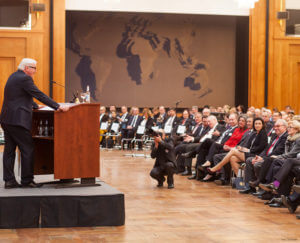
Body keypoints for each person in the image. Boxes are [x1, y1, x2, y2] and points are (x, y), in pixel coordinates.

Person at [0, 58, 69, 189]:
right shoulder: (25, 78)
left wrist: (35, 106)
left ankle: (9, 181)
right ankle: (27, 181)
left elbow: (19, 96)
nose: (35, 71)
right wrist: (57, 106)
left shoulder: (13, 76)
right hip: (18, 120)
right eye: (34, 68)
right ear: (27, 68)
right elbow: (38, 94)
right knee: (28, 148)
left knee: (9, 150)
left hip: (7, 119)